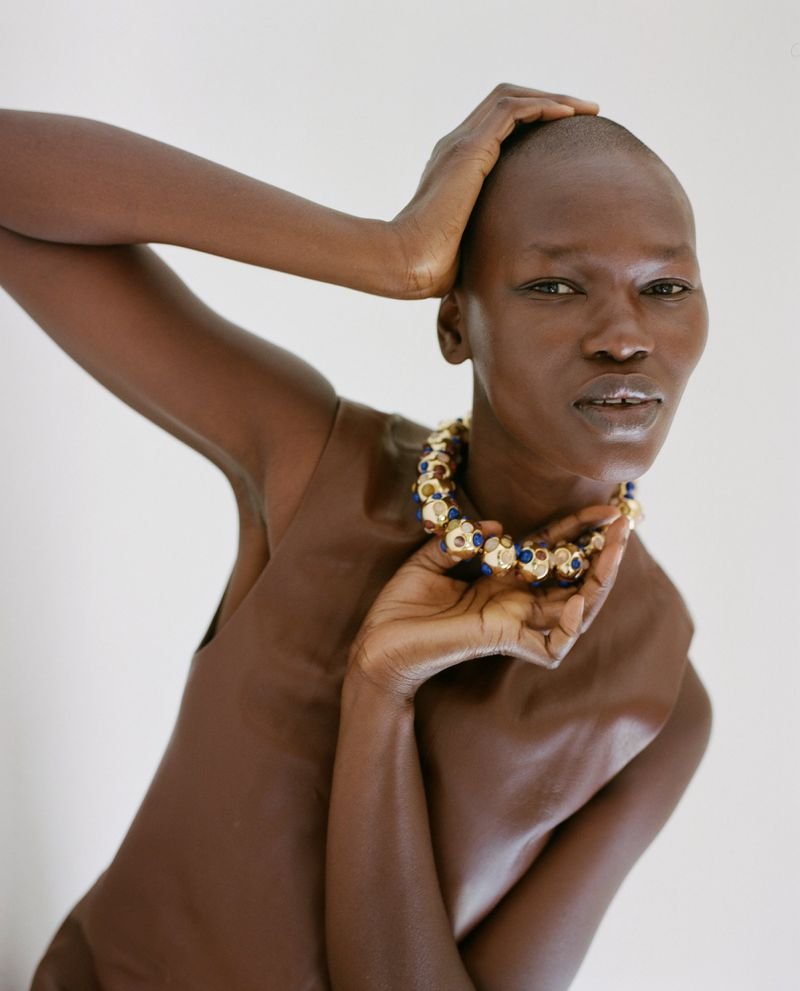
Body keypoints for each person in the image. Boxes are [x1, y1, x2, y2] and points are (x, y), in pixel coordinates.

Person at [1, 83, 713, 990]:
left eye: (665, 287)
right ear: (455, 321)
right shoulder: (318, 467)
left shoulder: (659, 706)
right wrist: (389, 252)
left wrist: (381, 689)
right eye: (555, 285)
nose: (624, 337)